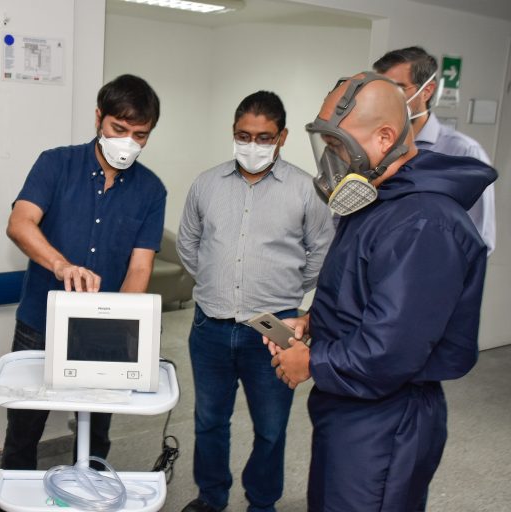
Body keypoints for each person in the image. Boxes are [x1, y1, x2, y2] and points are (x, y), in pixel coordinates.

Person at [266, 72, 496, 511]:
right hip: (354, 401)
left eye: (337, 146)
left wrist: (309, 361)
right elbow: (366, 291)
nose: (330, 161)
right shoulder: (380, 199)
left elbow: (391, 349)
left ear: (386, 136)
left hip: (387, 415)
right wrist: (314, 320)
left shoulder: (423, 222)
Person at [176, 91, 334, 512]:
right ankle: (211, 497)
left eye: (263, 137)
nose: (252, 145)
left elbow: (320, 253)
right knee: (209, 422)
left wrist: (286, 295)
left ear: (281, 137)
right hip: (211, 324)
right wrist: (217, 283)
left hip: (273, 326)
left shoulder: (306, 189)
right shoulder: (207, 184)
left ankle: (262, 502)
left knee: (270, 426)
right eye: (244, 135)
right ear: (233, 133)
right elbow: (189, 243)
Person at [2, 74, 166, 471]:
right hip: (40, 322)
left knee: (96, 432)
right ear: (99, 118)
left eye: (140, 135)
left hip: (104, 334)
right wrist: (60, 264)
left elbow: (140, 266)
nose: (128, 142)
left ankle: (90, 492)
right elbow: (20, 223)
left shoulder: (151, 190)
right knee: (24, 426)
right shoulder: (56, 163)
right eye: (119, 129)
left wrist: (119, 329)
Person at [373, 46, 496, 254]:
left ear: (427, 91)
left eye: (398, 89)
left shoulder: (463, 152)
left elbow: (479, 237)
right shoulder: (375, 145)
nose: (387, 99)